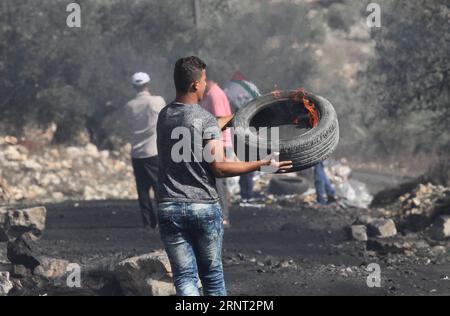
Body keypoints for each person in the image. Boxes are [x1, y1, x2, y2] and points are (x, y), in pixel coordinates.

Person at [156, 56, 292, 296]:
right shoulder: (204, 119)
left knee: (185, 277)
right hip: (202, 207)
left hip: (169, 207)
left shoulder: (164, 116)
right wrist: (261, 164)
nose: (206, 84)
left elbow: (209, 125)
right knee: (212, 276)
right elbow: (218, 167)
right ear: (195, 85)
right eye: (204, 80)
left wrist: (250, 110)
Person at [125, 72, 165, 229]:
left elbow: (129, 125)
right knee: (158, 187)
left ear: (134, 87)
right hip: (153, 150)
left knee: (142, 189)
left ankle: (148, 222)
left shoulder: (129, 106)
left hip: (137, 152)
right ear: (147, 84)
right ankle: (163, 220)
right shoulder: (157, 101)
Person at [223, 72, 261, 201]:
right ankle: (247, 192)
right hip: (253, 124)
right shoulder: (252, 87)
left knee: (241, 159)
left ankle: (245, 191)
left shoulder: (229, 87)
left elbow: (226, 106)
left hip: (237, 125)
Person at [200, 80, 233, 227]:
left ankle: (224, 217)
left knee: (219, 182)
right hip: (213, 143)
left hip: (218, 143)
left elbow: (220, 120)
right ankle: (219, 214)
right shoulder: (208, 95)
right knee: (215, 181)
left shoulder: (215, 95)